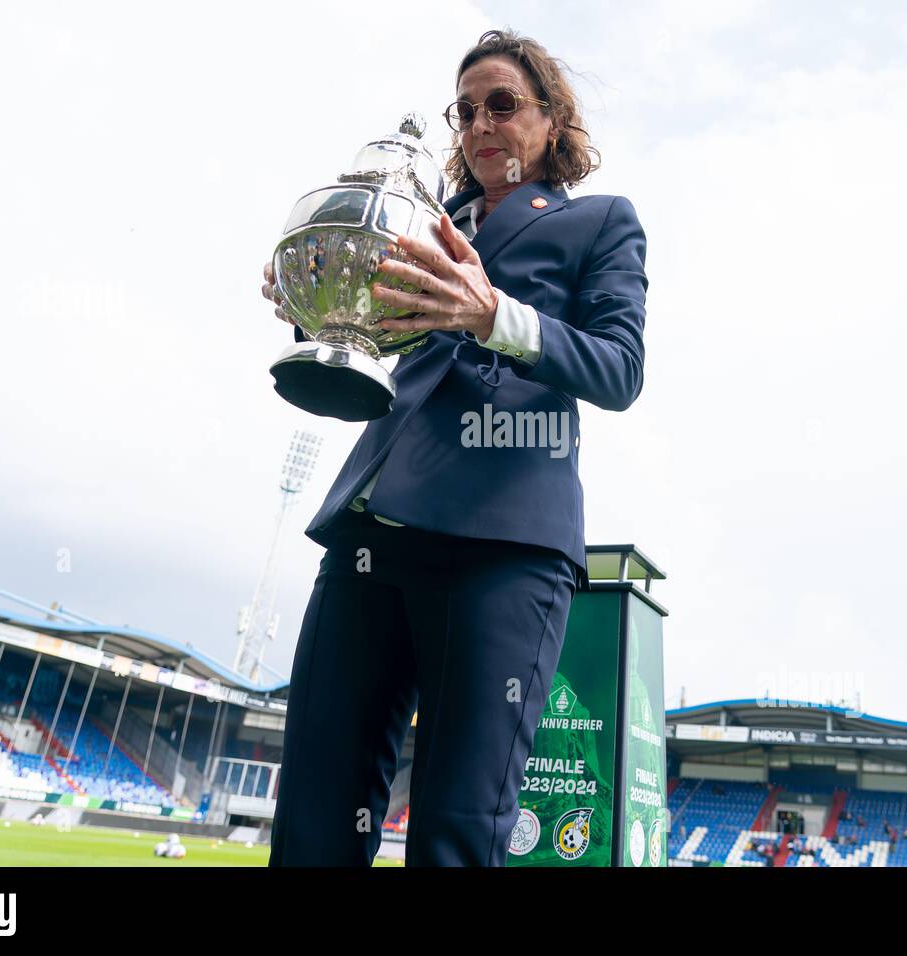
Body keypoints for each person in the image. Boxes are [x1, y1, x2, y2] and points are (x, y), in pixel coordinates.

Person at [264, 29, 647, 867]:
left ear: (551, 120)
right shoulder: (417, 224)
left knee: (457, 825)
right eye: (465, 109)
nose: (480, 124)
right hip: (372, 530)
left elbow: (621, 369)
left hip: (502, 546)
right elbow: (370, 344)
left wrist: (492, 315)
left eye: (503, 104)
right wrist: (311, 301)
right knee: (314, 814)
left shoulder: (599, 224)